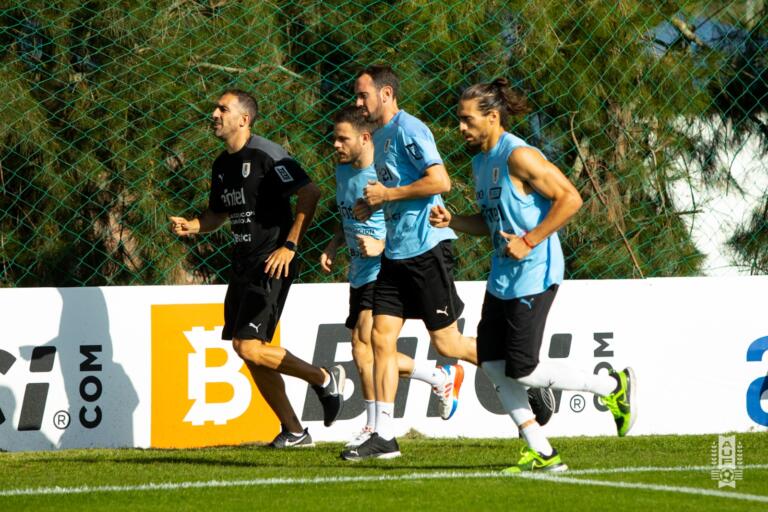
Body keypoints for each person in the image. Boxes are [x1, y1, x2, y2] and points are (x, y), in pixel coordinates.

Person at [342, 65, 554, 461]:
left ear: (386, 94)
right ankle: (384, 435)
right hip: (395, 252)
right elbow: (393, 190)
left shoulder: (409, 129)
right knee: (379, 338)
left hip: (426, 250)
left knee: (447, 343)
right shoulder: (380, 135)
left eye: (363, 95)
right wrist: (373, 203)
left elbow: (440, 181)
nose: (358, 102)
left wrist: (388, 195)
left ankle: (525, 381)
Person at [429, 78, 636, 472]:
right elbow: (490, 224)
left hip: (535, 273)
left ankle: (613, 386)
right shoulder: (479, 163)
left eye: (467, 119)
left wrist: (529, 240)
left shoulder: (518, 156)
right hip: (502, 277)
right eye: (460, 119)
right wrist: (453, 220)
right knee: (492, 362)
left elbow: (571, 198)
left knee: (522, 368)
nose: (460, 126)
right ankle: (540, 450)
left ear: (493, 117)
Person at [169, 89, 346, 449]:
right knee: (250, 352)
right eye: (215, 108)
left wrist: (290, 246)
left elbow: (310, 193)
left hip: (272, 262)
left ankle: (324, 378)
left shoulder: (267, 154)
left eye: (223, 109)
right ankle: (295, 432)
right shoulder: (222, 165)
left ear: (244, 119)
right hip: (243, 265)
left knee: (248, 347)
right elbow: (217, 215)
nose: (214, 114)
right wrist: (192, 225)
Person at [321, 105, 472, 449]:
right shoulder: (343, 170)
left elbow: (405, 211)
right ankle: (437, 377)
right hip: (360, 270)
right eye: (334, 139)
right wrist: (333, 243)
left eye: (343, 139)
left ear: (365, 139)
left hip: (386, 263)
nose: (336, 145)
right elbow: (347, 213)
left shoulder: (382, 172)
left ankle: (375, 426)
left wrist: (380, 244)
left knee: (367, 343)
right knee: (370, 348)